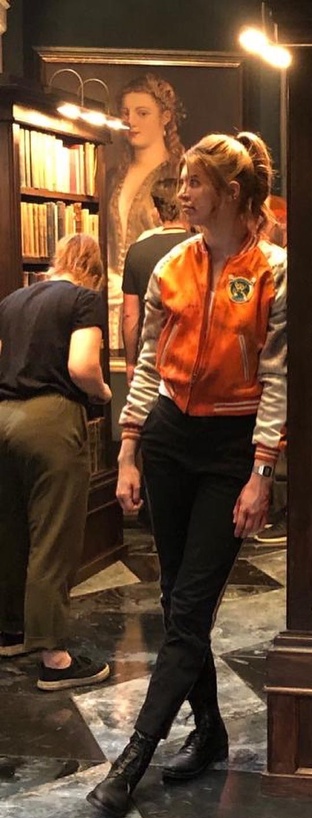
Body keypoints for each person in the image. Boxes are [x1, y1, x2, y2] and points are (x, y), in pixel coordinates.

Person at [87, 131, 287, 818]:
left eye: (195, 183)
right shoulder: (173, 264)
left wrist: (262, 472)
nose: (182, 193)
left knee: (192, 604)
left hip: (231, 448)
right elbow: (146, 362)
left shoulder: (274, 272)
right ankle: (209, 732)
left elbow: (278, 378)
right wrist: (128, 448)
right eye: (181, 182)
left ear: (230, 193)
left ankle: (133, 758)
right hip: (170, 439)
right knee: (177, 601)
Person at [0, 234, 112, 691]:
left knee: (10, 532)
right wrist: (103, 392)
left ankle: (11, 633)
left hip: (3, 416)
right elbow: (82, 366)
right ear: (92, 270)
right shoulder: (84, 300)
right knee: (53, 538)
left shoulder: (12, 301)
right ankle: (55, 658)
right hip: (50, 422)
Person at [107, 74, 185, 349]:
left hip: (159, 302)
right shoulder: (112, 176)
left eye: (142, 113)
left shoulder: (180, 173)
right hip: (112, 302)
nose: (131, 121)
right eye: (125, 113)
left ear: (165, 117)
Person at [121, 177, 192, 386]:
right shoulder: (199, 247)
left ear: (156, 211)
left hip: (151, 357)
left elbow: (130, 314)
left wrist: (130, 362)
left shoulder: (136, 251)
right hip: (190, 354)